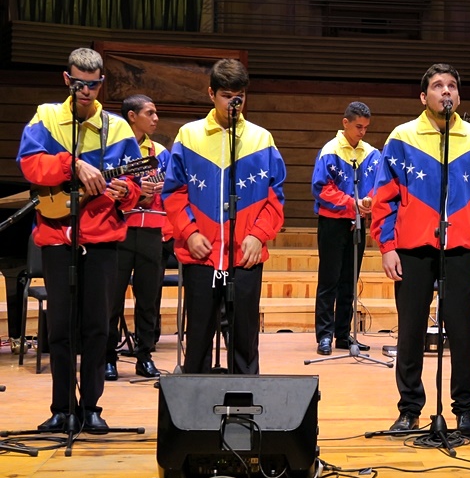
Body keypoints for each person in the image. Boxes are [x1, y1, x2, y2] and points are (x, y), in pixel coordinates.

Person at [370, 63, 470, 437]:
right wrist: (387, 246)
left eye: (451, 86)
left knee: (463, 334)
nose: (446, 91)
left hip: (460, 248)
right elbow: (384, 197)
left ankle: (465, 411)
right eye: (437, 86)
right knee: (410, 332)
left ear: (458, 96)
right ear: (423, 96)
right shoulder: (402, 137)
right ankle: (409, 409)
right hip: (413, 249)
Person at [17, 47, 142, 432]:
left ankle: (90, 407)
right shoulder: (46, 117)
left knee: (97, 328)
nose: (86, 91)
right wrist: (72, 164)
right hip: (58, 237)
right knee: (59, 328)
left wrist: (126, 191)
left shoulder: (117, 128)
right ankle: (61, 408)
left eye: (94, 85)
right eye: (79, 84)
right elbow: (29, 164)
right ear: (67, 80)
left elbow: (135, 184)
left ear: (101, 83)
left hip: (102, 239)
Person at [162, 58, 286, 374]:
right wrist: (190, 233)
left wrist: (258, 235)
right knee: (198, 341)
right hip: (201, 255)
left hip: (245, 256)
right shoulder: (188, 135)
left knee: (244, 342)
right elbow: (173, 193)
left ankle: (245, 402)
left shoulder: (261, 139)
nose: (233, 103)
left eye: (239, 97)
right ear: (211, 94)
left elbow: (275, 198)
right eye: (226, 96)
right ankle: (195, 402)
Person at [105, 95, 167, 380]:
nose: (155, 119)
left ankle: (145, 356)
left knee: (148, 298)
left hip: (152, 230)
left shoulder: (160, 152)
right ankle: (108, 357)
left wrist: (158, 189)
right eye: (149, 113)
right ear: (132, 116)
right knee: (112, 298)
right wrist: (135, 192)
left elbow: (171, 187)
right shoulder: (114, 148)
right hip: (120, 230)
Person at [312, 101, 380, 355]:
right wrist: (351, 204)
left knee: (349, 282)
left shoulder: (371, 154)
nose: (362, 132)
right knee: (329, 280)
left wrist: (369, 202)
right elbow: (321, 189)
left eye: (366, 127)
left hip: (358, 223)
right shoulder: (330, 151)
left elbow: (378, 185)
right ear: (345, 123)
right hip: (333, 222)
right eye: (358, 126)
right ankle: (324, 335)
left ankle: (343, 334)